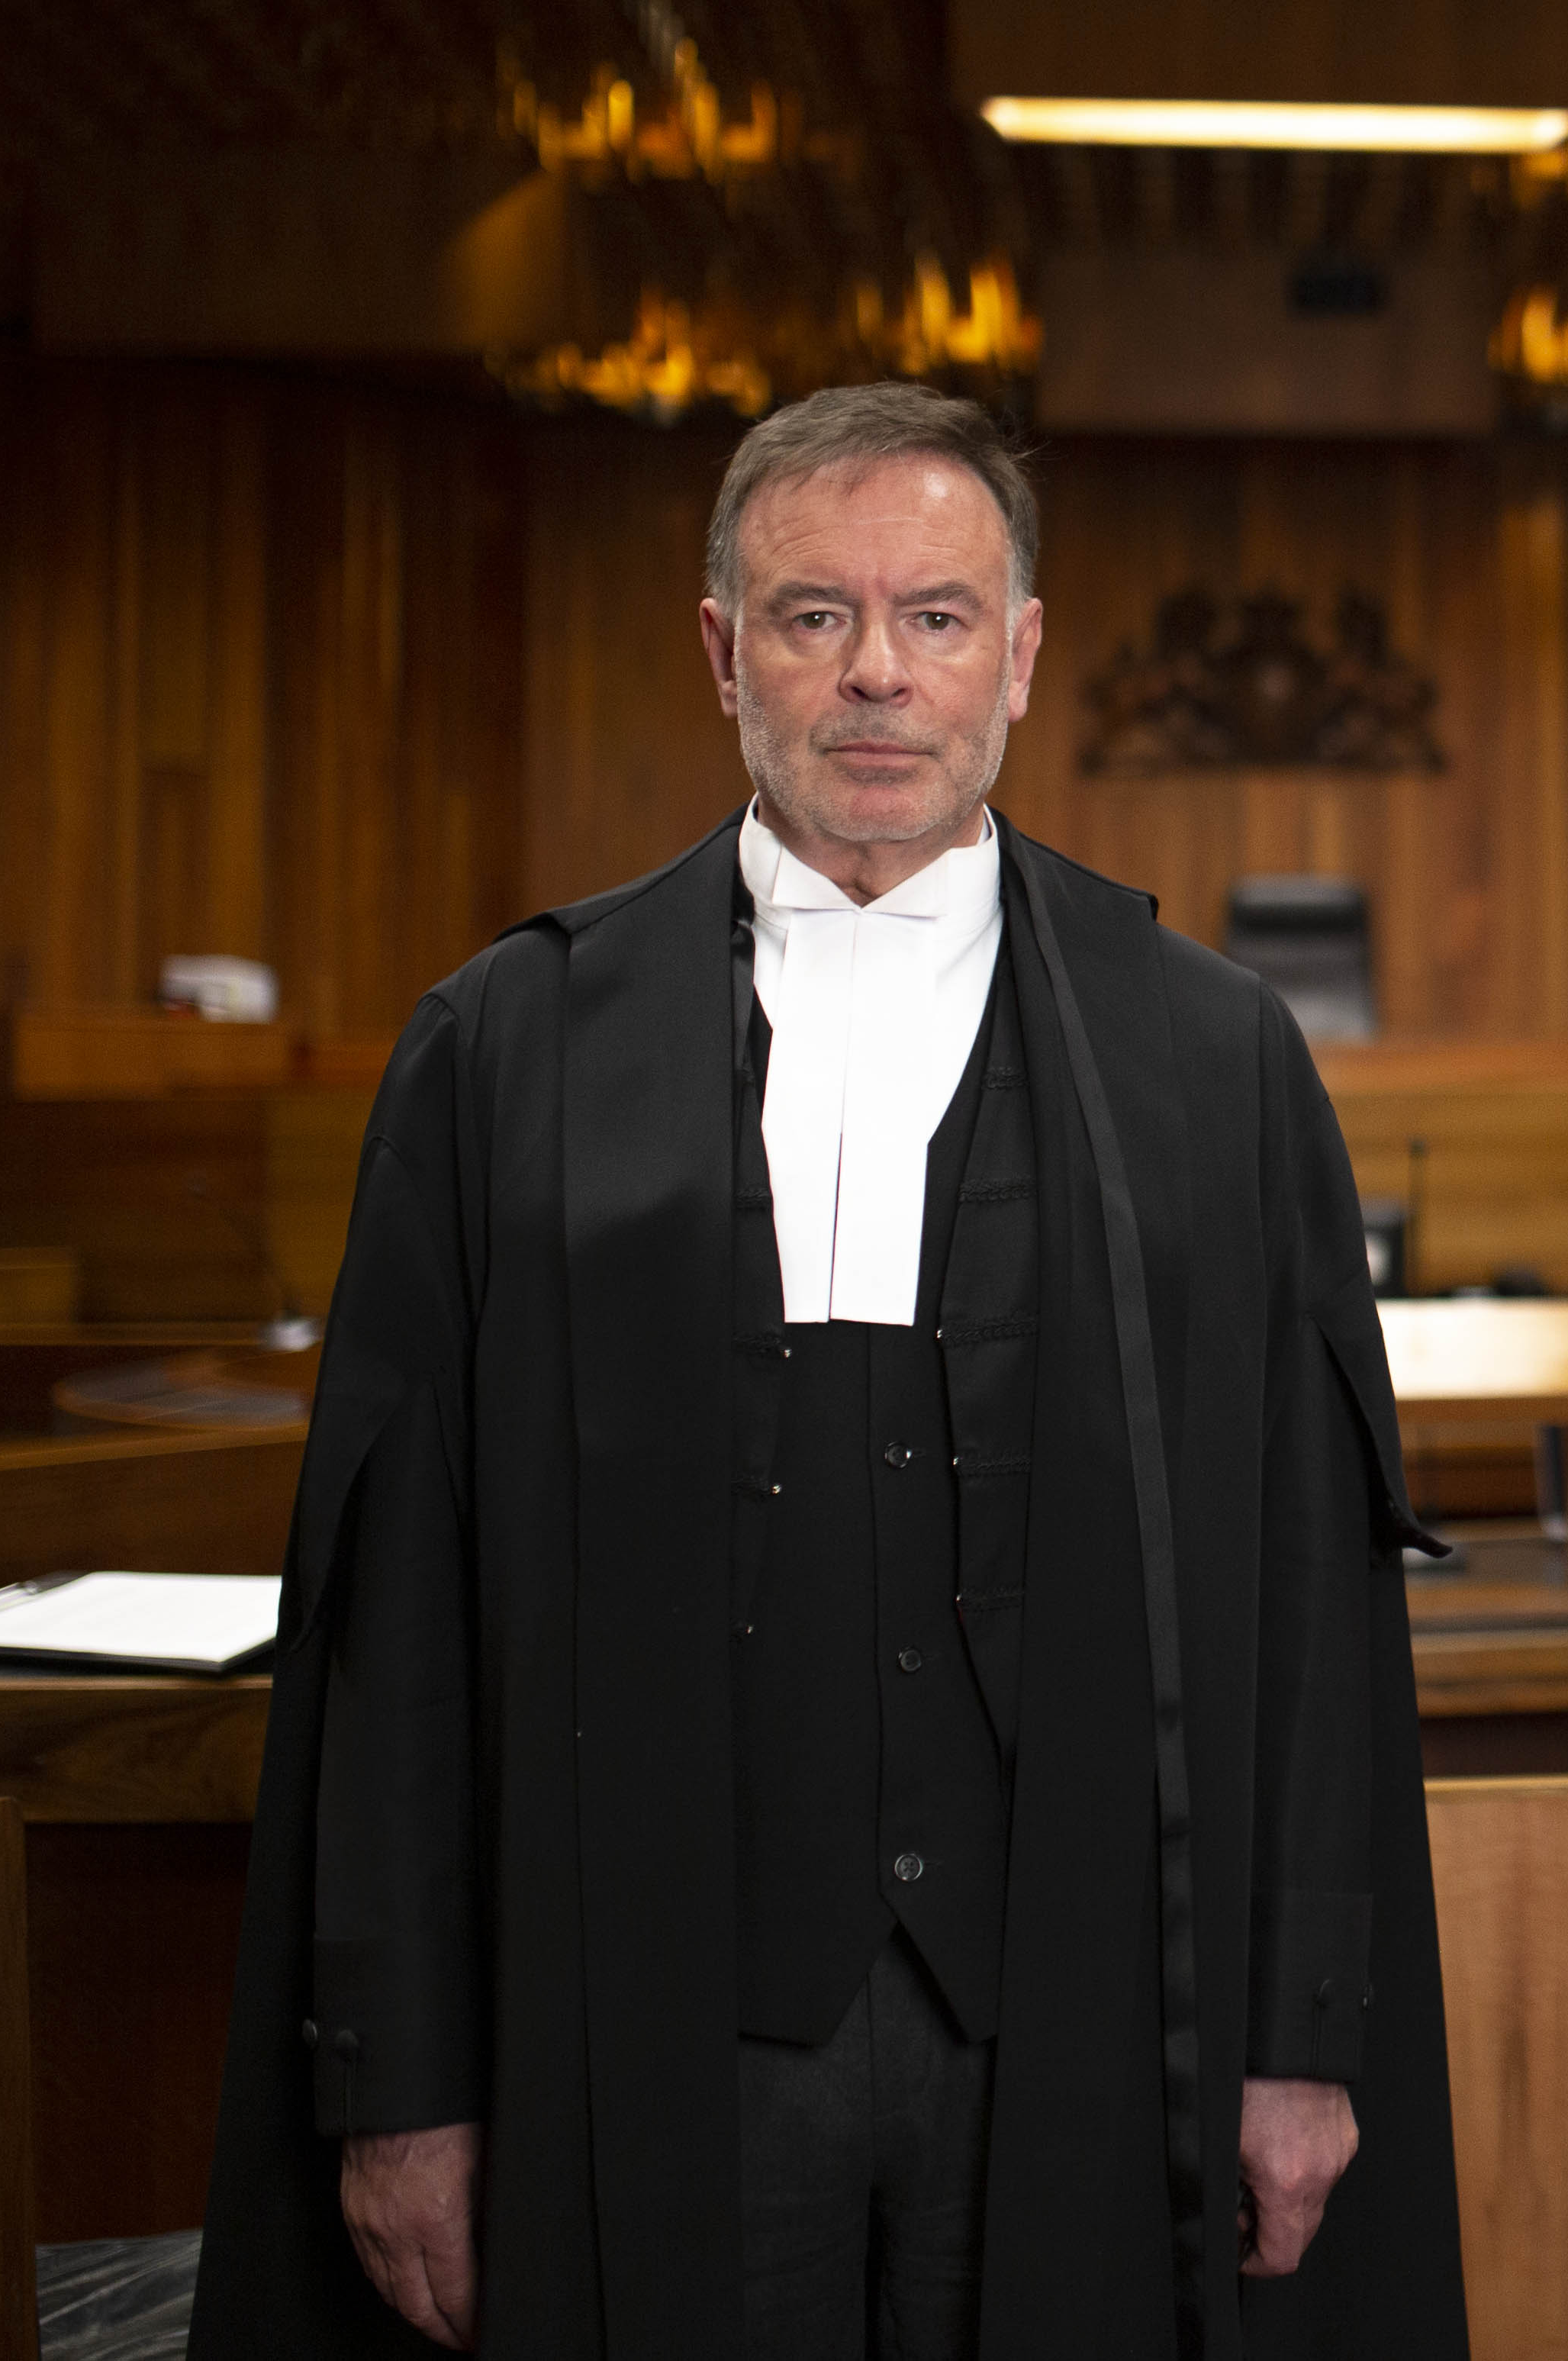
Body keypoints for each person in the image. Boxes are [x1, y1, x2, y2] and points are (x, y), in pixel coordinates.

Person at [192, 382, 1470, 2361]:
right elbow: (400, 1621)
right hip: (639, 2032)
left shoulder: (1211, 1063)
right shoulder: (509, 1054)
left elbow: (1316, 1596)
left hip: (1089, 2020)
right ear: (723, 653)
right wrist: (402, 2075)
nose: (878, 672)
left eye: (938, 617)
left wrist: (1302, 2043)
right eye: (813, 615)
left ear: (1022, 655)